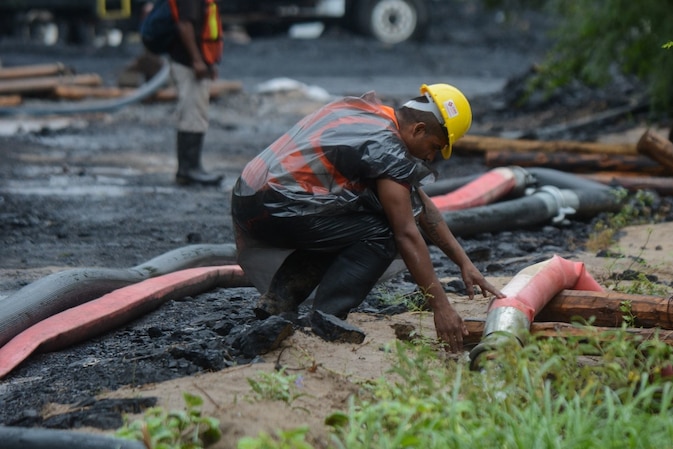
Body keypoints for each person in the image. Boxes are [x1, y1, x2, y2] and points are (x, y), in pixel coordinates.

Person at [231, 83, 505, 353]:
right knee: (383, 230)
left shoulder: (373, 118)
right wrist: (441, 308)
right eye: (434, 146)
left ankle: (278, 302)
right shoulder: (388, 148)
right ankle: (327, 319)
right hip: (281, 205)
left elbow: (421, 205)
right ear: (418, 129)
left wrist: (464, 263)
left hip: (252, 197)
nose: (431, 156)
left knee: (349, 226)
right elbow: (407, 233)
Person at [166, 0, 224, 186]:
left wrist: (208, 62)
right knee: (192, 114)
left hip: (195, 62)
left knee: (195, 113)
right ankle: (188, 169)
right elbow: (185, 25)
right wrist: (197, 60)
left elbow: (204, 26)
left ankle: (191, 168)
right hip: (188, 64)